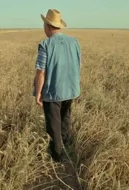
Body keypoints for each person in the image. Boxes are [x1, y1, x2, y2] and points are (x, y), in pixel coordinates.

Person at [33, 9, 81, 162]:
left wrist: (38, 93)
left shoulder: (45, 45)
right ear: (59, 26)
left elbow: (41, 72)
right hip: (71, 89)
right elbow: (78, 65)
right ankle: (66, 144)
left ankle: (57, 155)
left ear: (47, 26)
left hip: (53, 91)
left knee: (53, 124)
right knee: (65, 117)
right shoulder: (74, 42)